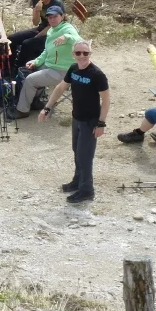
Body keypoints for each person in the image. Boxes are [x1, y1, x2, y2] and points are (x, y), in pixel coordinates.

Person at [38, 40, 109, 204]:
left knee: (85, 156)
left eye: (86, 53)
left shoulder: (97, 74)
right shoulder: (73, 68)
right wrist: (47, 108)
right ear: (73, 54)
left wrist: (101, 123)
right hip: (76, 118)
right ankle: (78, 182)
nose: (82, 56)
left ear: (90, 54)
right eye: (78, 53)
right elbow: (60, 88)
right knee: (77, 151)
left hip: (90, 121)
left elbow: (106, 100)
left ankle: (87, 190)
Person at [12, 5, 81, 119]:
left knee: (30, 80)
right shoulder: (52, 29)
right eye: (50, 17)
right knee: (29, 71)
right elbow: (47, 50)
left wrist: (67, 37)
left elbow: (79, 41)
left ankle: (22, 111)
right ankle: (35, 102)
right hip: (50, 65)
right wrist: (36, 61)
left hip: (63, 71)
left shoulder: (68, 29)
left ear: (62, 16)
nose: (52, 19)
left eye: (55, 17)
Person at [9, 0, 66, 69]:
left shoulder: (56, 3)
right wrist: (37, 10)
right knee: (11, 39)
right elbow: (35, 22)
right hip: (42, 27)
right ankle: (10, 65)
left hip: (54, 32)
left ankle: (21, 68)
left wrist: (38, 35)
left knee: (27, 44)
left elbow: (54, 25)